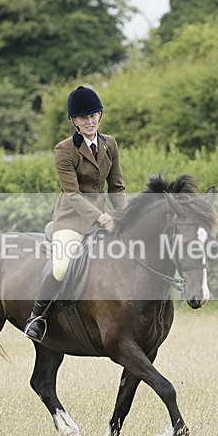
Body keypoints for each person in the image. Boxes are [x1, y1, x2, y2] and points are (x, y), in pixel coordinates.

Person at [24, 85, 128, 342]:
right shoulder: (64, 150)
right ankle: (37, 317)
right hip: (71, 220)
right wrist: (101, 218)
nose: (90, 121)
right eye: (84, 117)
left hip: (104, 219)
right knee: (61, 266)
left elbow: (117, 186)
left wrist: (124, 216)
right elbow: (72, 194)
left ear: (99, 115)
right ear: (73, 121)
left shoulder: (110, 144)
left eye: (94, 115)